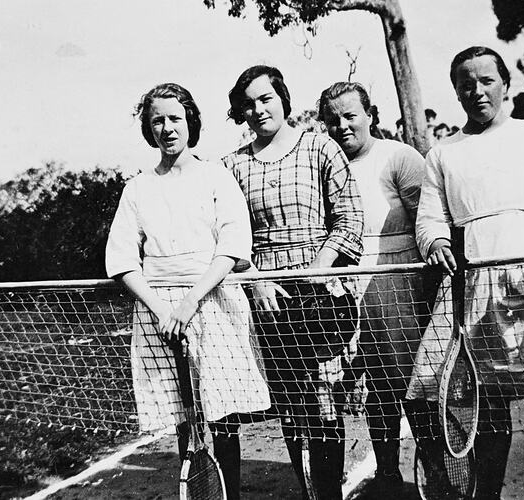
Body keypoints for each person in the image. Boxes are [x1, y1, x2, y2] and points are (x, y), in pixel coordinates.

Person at [406, 46, 524, 499]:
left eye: (486, 80)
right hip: (476, 289)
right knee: (490, 409)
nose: (476, 90)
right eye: (466, 84)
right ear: (456, 92)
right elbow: (429, 219)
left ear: (505, 84)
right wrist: (438, 242)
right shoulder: (442, 153)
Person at [105, 82, 270, 500]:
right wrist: (163, 309)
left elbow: (234, 245)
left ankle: (229, 492)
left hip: (212, 303)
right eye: (157, 120)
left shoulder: (216, 175)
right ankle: (199, 492)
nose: (167, 128)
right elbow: (122, 259)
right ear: (149, 129)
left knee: (222, 414)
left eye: (175, 118)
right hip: (159, 313)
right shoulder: (138, 188)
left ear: (190, 122)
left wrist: (191, 300)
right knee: (185, 417)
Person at [222, 65, 364, 500]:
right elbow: (227, 233)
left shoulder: (319, 146)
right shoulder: (234, 165)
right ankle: (308, 491)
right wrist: (255, 279)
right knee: (291, 405)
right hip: (266, 296)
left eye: (266, 98)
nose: (258, 109)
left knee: (323, 403)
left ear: (282, 98)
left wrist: (318, 270)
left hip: (319, 293)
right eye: (248, 103)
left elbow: (350, 216)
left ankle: (329, 494)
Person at [318, 81, 432, 493]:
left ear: (371, 114)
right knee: (375, 387)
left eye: (350, 115)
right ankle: (388, 474)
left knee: (415, 385)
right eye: (333, 120)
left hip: (399, 278)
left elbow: (428, 220)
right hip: (347, 282)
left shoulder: (400, 157)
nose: (342, 125)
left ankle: (434, 470)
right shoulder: (325, 163)